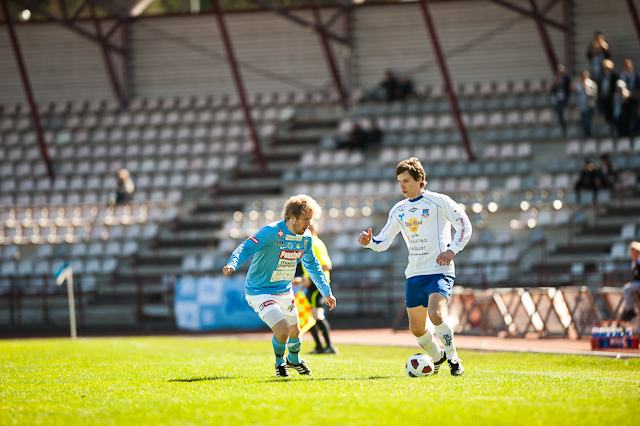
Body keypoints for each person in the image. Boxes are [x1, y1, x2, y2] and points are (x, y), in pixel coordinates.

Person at [357, 157, 472, 376]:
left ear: (420, 180)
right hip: (414, 274)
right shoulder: (398, 210)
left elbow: (464, 224)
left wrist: (452, 249)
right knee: (417, 328)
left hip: (439, 271)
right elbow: (383, 241)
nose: (402, 186)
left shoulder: (439, 201)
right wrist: (369, 242)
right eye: (399, 181)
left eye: (407, 181)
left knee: (436, 315)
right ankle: (438, 357)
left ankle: (455, 360)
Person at [222, 195, 336, 378]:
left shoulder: (306, 237)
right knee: (282, 330)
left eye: (310, 219)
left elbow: (313, 265)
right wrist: (232, 264)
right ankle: (279, 364)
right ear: (292, 218)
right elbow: (245, 248)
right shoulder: (271, 232)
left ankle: (295, 360)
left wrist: (327, 292)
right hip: (260, 292)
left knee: (295, 331)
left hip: (284, 290)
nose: (309, 224)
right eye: (305, 219)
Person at [292, 219, 338, 355]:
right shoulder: (310, 244)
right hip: (314, 285)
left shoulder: (315, 244)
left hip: (318, 286)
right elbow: (312, 269)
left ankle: (330, 347)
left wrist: (309, 280)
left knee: (317, 316)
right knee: (311, 316)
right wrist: (302, 279)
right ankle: (320, 346)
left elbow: (326, 266)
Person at [620, 241, 640, 322]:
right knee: (627, 289)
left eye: (634, 253)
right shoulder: (634, 262)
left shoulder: (639, 260)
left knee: (626, 289)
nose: (633, 255)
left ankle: (630, 310)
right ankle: (630, 310)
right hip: (637, 283)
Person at [575, 71, 597, 139]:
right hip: (582, 107)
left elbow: (593, 95)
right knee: (583, 122)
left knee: (588, 122)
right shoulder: (579, 85)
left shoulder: (591, 84)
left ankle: (589, 135)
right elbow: (578, 96)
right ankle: (585, 135)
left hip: (588, 106)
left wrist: (586, 88)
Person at [551, 64, 571, 134]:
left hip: (564, 98)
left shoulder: (566, 79)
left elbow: (567, 89)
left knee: (562, 112)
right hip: (558, 98)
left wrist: (561, 83)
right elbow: (553, 90)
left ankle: (564, 124)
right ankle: (561, 124)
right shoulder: (556, 79)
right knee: (559, 112)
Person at [598, 60, 618, 126]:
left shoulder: (614, 77)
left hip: (611, 98)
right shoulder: (602, 77)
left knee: (612, 114)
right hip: (604, 98)